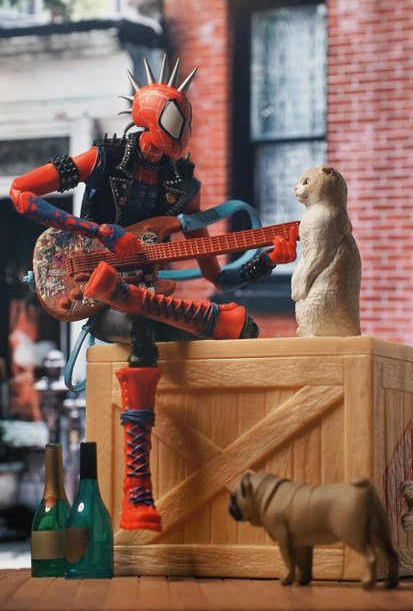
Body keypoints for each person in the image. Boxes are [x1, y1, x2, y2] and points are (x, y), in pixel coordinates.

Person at [10, 55, 297, 532]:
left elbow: (218, 278)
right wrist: (98, 231)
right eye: (166, 129)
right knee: (142, 323)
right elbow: (22, 192)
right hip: (96, 292)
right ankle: (136, 489)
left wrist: (269, 260)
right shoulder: (103, 158)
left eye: (177, 133)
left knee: (232, 325)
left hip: (142, 295)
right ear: (146, 120)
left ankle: (154, 308)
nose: (167, 148)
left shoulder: (183, 187)